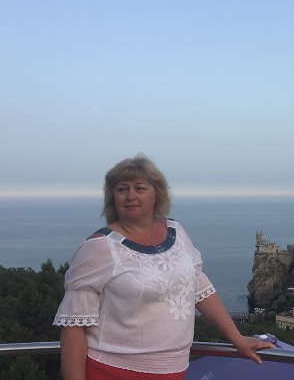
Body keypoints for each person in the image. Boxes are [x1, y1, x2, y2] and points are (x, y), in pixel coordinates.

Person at [53, 155, 273, 380]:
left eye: (139, 188)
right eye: (122, 189)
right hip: (112, 371)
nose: (130, 195)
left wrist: (237, 338)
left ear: (157, 194)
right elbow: (73, 326)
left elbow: (199, 288)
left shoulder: (176, 232)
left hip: (175, 371)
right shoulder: (100, 247)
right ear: (112, 197)